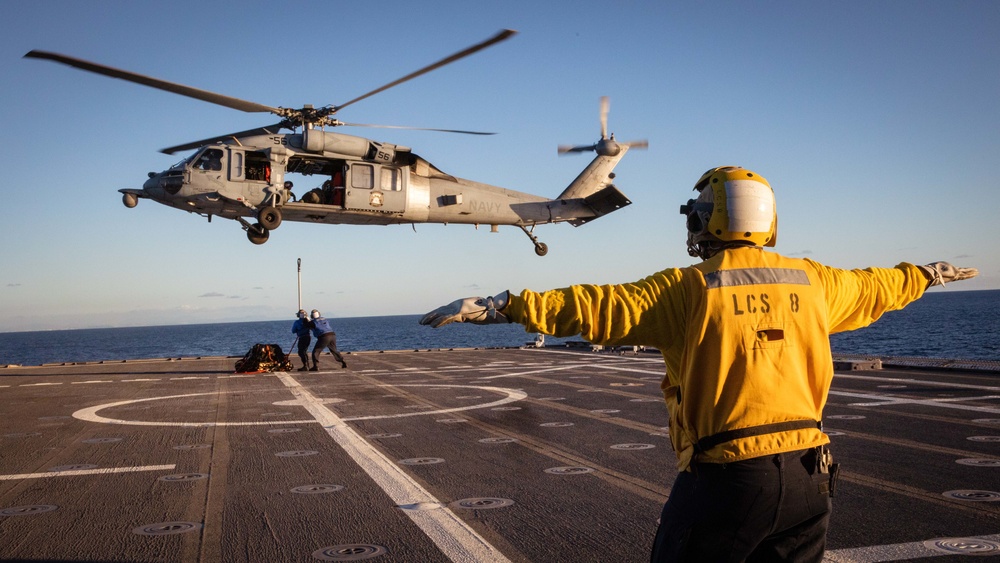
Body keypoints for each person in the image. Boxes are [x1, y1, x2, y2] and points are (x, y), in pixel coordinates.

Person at [419, 166, 978, 562]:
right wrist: (924, 274)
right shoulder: (814, 281)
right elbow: (877, 284)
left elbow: (596, 305)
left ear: (707, 220)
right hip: (813, 476)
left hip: (731, 478)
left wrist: (503, 305)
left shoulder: (687, 291)